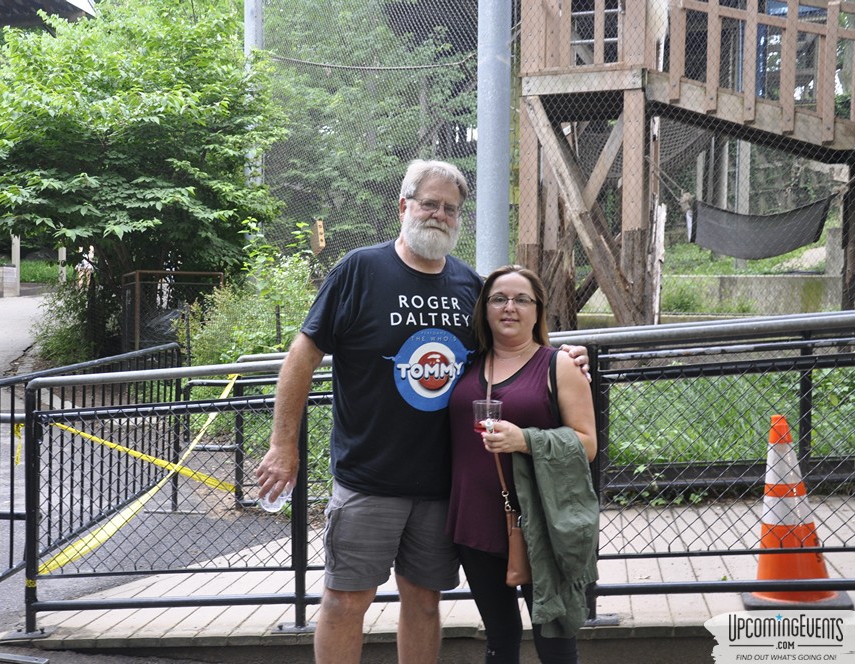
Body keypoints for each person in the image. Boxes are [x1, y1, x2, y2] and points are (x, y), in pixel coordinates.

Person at [255, 159, 589, 664]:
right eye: (428, 203)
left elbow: (512, 340)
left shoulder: (469, 286)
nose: (438, 215)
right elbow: (302, 356)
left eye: (449, 208)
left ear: (459, 218)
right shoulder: (359, 270)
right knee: (346, 601)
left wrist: (563, 356)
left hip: (441, 488)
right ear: (403, 207)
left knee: (424, 602)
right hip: (369, 479)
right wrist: (283, 445)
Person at [447, 265, 599, 664]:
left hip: (542, 523)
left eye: (521, 299)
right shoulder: (467, 363)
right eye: (498, 298)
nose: (509, 307)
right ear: (485, 309)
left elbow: (587, 444)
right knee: (499, 637)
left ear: (538, 311)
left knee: (554, 635)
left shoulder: (559, 365)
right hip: (475, 521)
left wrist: (526, 440)